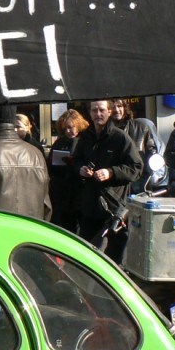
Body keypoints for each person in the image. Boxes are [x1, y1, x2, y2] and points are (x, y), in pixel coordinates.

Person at [72, 99, 143, 264]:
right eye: (94, 110)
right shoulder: (85, 137)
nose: (98, 114)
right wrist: (80, 168)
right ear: (89, 113)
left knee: (113, 260)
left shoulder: (120, 138)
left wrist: (111, 172)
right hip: (90, 207)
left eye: (102, 110)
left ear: (110, 112)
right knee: (87, 257)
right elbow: (76, 160)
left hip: (113, 209)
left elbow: (137, 168)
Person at [47, 109, 89, 233]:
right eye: (65, 129)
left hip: (80, 191)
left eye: (71, 127)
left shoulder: (86, 141)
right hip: (64, 192)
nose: (68, 131)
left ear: (78, 125)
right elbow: (51, 166)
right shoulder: (60, 142)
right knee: (67, 227)